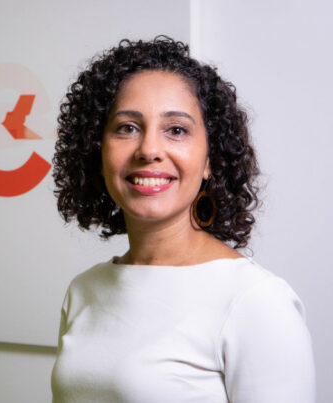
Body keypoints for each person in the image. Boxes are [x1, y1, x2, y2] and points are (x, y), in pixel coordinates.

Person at [50, 37, 315, 402]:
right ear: (98, 149)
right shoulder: (84, 290)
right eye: (127, 127)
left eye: (176, 129)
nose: (149, 150)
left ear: (210, 160)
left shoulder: (255, 301)